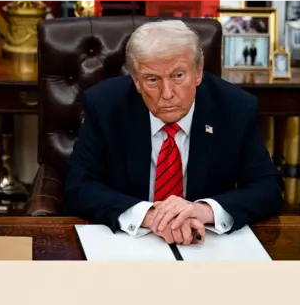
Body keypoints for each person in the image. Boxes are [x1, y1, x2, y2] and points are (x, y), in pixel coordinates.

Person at [63, 20, 283, 246]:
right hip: (131, 243)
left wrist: (202, 211)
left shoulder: (235, 108)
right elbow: (79, 187)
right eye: (152, 80)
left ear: (198, 74)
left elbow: (267, 189)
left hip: (206, 245)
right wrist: (151, 217)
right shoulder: (105, 106)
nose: (167, 93)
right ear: (136, 82)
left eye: (178, 76)